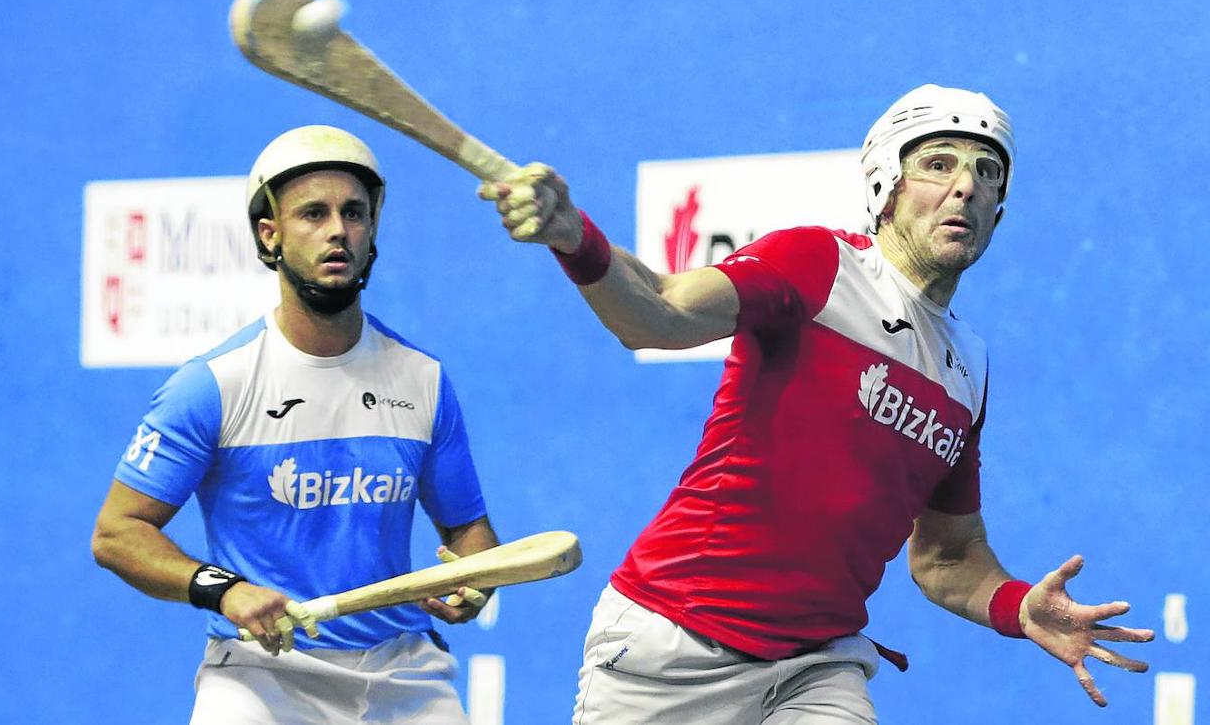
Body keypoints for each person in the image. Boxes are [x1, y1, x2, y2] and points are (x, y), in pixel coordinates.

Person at [479, 84, 1154, 724]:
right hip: (672, 646)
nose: (966, 186)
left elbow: (946, 558)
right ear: (886, 185)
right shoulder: (819, 266)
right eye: (938, 164)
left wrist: (1017, 607)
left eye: (987, 173)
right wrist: (575, 237)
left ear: (997, 214)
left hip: (815, 665)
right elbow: (660, 311)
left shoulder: (968, 368)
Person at [92, 125, 498, 725]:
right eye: (313, 213)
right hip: (261, 676)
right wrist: (223, 589)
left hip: (405, 675)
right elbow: (117, 533)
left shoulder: (423, 379)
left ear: (371, 231)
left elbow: (469, 531)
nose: (338, 230)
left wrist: (473, 581)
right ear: (270, 234)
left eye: (353, 213)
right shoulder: (214, 385)